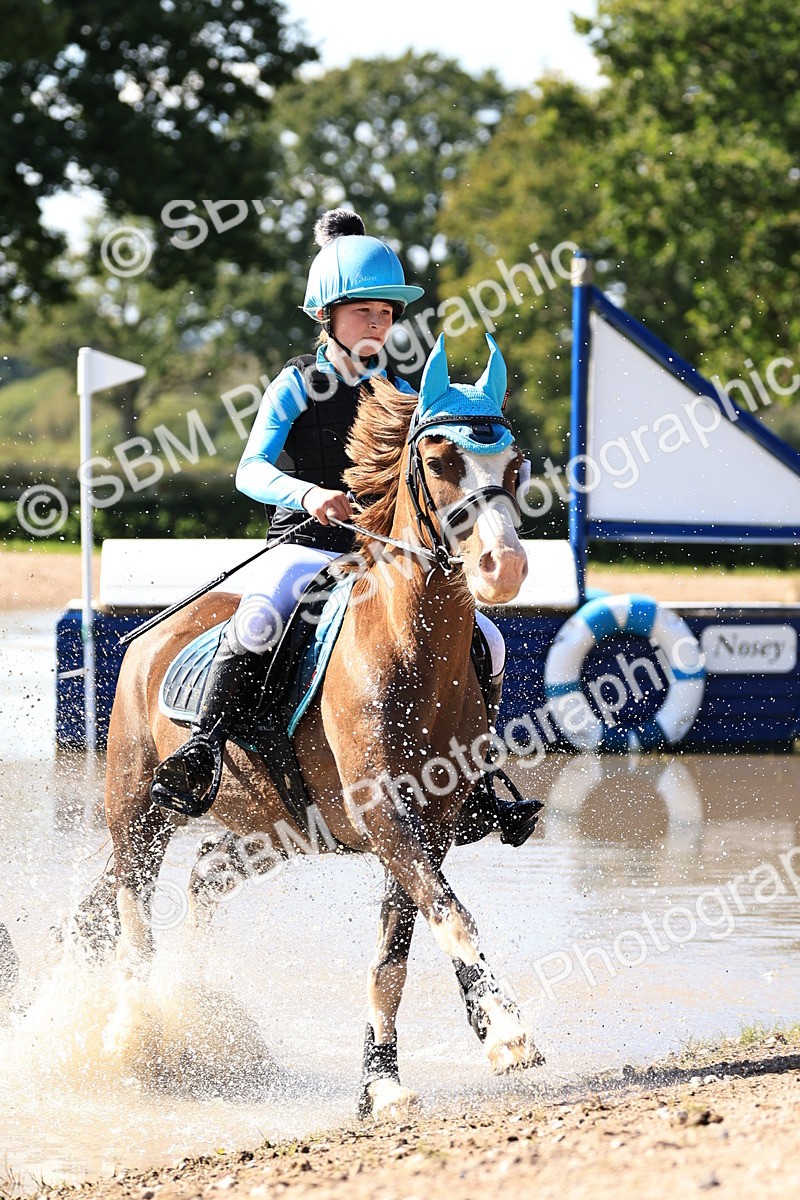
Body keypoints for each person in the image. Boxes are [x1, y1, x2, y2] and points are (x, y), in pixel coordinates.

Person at [150, 209, 539, 845]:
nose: (379, 324)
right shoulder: (295, 385)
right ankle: (201, 751)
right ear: (328, 314)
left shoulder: (399, 393)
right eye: (365, 312)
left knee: (487, 641)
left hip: (374, 554)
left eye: (387, 314)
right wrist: (308, 496)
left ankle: (477, 780)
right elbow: (249, 470)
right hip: (302, 546)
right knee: (260, 617)